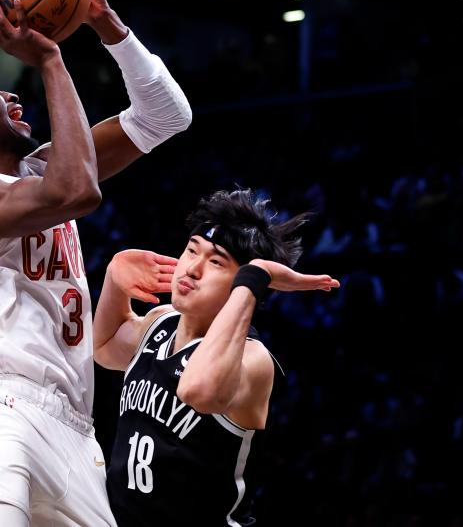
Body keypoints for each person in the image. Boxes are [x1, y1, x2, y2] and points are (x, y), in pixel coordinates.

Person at [0, 0, 192, 527]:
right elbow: (77, 192)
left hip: (77, 431)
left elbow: (167, 116)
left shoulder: (41, 171)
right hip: (0, 411)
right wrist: (51, 60)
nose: (11, 95)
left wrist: (105, 22)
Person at [93, 188, 340, 526]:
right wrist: (114, 277)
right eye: (192, 250)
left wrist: (255, 279)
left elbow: (199, 391)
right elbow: (105, 347)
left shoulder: (253, 360)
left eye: (216, 262)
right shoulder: (159, 322)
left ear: (241, 285)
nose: (192, 268)